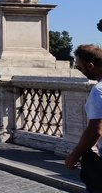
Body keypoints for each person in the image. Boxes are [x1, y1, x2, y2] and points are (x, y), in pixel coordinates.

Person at [65, 45, 102, 192]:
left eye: (80, 68)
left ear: (90, 66)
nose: (81, 72)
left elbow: (96, 130)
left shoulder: (98, 91)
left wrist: (74, 155)